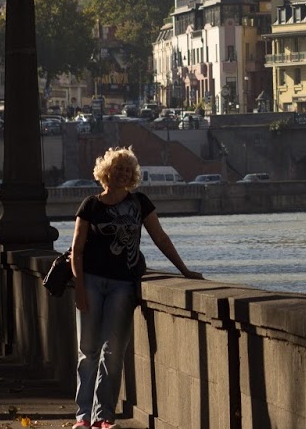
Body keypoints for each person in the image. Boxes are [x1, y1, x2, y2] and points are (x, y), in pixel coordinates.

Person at [70, 148, 201, 429]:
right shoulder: (90, 205)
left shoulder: (140, 203)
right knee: (88, 350)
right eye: (118, 169)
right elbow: (76, 251)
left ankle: (103, 416)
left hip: (122, 284)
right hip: (91, 281)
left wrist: (185, 271)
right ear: (106, 172)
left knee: (114, 351)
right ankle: (83, 416)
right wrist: (79, 288)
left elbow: (160, 238)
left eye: (128, 170)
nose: (123, 174)